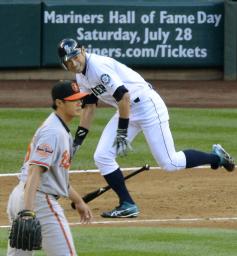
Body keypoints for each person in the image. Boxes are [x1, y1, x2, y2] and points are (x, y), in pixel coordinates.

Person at [57, 38, 235, 218]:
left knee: (170, 162)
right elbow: (89, 107)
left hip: (147, 107)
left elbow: (124, 96)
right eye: (68, 61)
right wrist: (78, 141)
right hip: (127, 110)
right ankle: (127, 204)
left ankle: (216, 157)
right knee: (102, 156)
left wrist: (122, 131)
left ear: (83, 50)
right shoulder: (81, 76)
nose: (73, 62)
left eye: (75, 57)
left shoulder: (98, 67)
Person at [7, 80, 92, 256]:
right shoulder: (54, 132)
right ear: (59, 103)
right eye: (74, 100)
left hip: (20, 196)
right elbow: (34, 173)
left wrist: (78, 200)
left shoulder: (57, 127)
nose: (79, 103)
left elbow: (56, 176)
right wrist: (28, 211)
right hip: (38, 201)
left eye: (80, 99)